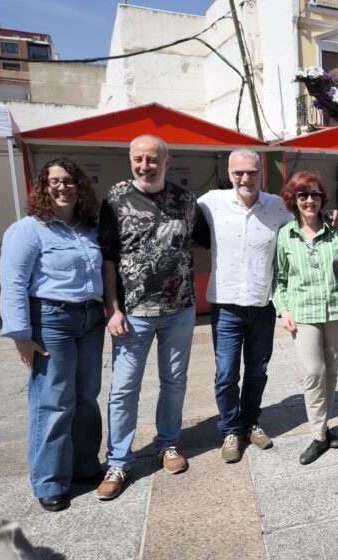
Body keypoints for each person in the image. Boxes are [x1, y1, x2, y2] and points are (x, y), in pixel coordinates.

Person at [97, 134, 203, 500]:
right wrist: (112, 309)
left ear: (167, 162)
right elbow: (108, 258)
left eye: (152, 159)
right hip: (133, 315)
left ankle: (168, 444)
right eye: (138, 159)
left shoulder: (186, 201)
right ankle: (119, 462)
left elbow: (207, 236)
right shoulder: (114, 200)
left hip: (179, 311)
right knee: (124, 389)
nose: (145, 166)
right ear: (130, 160)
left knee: (174, 381)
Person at [0, 158, 104, 512]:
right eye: (54, 182)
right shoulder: (29, 229)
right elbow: (12, 283)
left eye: (69, 180)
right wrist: (21, 335)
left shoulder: (90, 228)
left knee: (87, 395)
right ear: (43, 188)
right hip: (51, 322)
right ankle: (50, 480)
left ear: (80, 186)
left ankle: (85, 465)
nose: (62, 187)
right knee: (54, 400)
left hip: (90, 320)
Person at [197, 149, 294, 463]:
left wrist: (331, 219)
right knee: (226, 374)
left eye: (251, 172)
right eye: (238, 173)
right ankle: (229, 430)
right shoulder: (210, 202)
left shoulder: (277, 206)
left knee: (257, 371)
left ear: (260, 173)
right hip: (225, 306)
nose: (245, 178)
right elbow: (172, 211)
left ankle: (250, 422)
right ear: (229, 174)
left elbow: (304, 227)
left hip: (262, 304)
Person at [274, 172, 338, 464]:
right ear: (293, 200)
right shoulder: (286, 234)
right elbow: (279, 278)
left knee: (331, 371)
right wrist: (283, 309)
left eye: (316, 195)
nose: (310, 200)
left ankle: (324, 425)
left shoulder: (335, 229)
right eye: (303, 195)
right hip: (304, 311)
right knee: (313, 372)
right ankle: (318, 435)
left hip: (337, 309)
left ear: (323, 199)